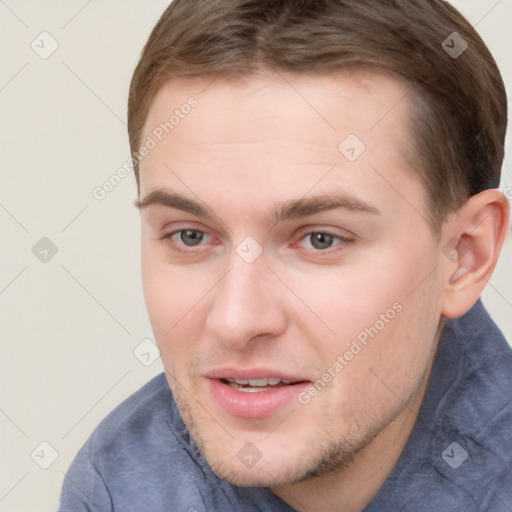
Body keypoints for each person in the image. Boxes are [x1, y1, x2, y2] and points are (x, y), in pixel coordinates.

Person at [58, 1, 511, 510]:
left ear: (465, 255)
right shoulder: (120, 485)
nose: (236, 320)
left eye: (321, 239)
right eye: (189, 235)